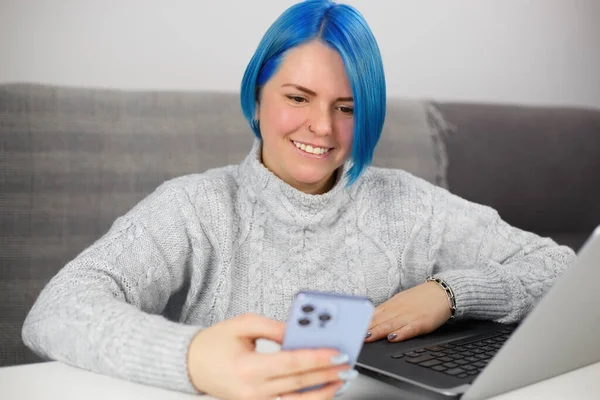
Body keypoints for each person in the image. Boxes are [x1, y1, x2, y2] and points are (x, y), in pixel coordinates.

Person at [22, 1, 576, 399]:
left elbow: (559, 267)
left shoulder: (407, 204)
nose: (322, 127)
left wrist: (449, 292)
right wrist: (190, 359)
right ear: (257, 97)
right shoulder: (194, 207)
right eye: (297, 97)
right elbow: (57, 310)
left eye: (347, 107)